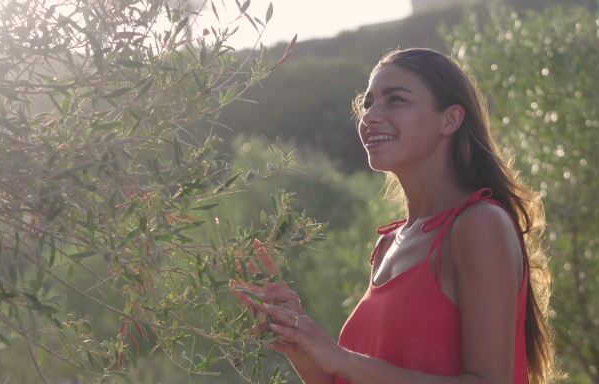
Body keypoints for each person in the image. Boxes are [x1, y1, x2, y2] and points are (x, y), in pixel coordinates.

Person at [230, 48, 555, 384]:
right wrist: (296, 336)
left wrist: (342, 359)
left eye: (395, 100)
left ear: (450, 119)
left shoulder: (479, 225)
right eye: (368, 103)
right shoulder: (388, 244)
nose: (370, 116)